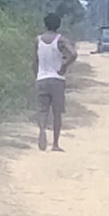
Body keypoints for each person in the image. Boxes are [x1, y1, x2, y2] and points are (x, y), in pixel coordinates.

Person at [34, 13, 77, 152]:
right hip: (57, 80)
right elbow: (73, 54)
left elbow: (35, 60)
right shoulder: (60, 40)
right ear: (58, 25)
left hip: (41, 78)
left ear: (45, 24)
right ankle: (55, 144)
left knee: (42, 110)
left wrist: (36, 74)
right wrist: (64, 66)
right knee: (57, 112)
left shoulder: (38, 40)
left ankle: (42, 132)